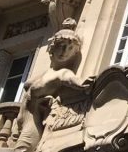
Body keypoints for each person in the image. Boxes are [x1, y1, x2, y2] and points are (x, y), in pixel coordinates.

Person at [13, 20, 90, 152]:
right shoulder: (42, 75)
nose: (64, 51)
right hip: (21, 123)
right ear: (53, 47)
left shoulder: (63, 73)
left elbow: (73, 81)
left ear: (74, 53)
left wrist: (85, 84)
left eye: (70, 48)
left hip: (33, 125)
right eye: (61, 45)